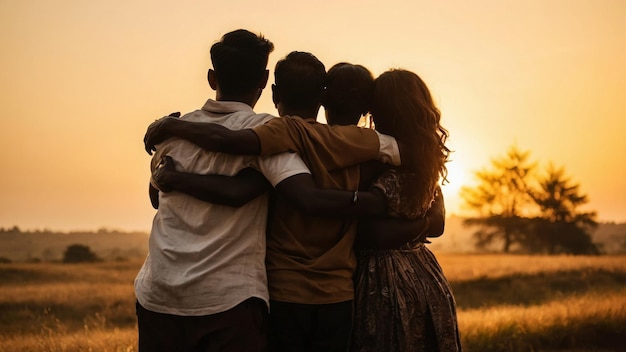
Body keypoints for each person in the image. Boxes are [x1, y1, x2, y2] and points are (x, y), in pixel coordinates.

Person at [144, 52, 437, 352]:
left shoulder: (284, 133)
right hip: (338, 293)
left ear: (274, 92)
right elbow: (411, 154)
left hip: (284, 290)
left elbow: (232, 155)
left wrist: (173, 129)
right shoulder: (366, 146)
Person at [350, 69, 461, 352]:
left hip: (385, 282)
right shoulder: (424, 161)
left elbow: (374, 234)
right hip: (424, 272)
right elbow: (436, 224)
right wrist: (424, 224)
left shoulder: (382, 163)